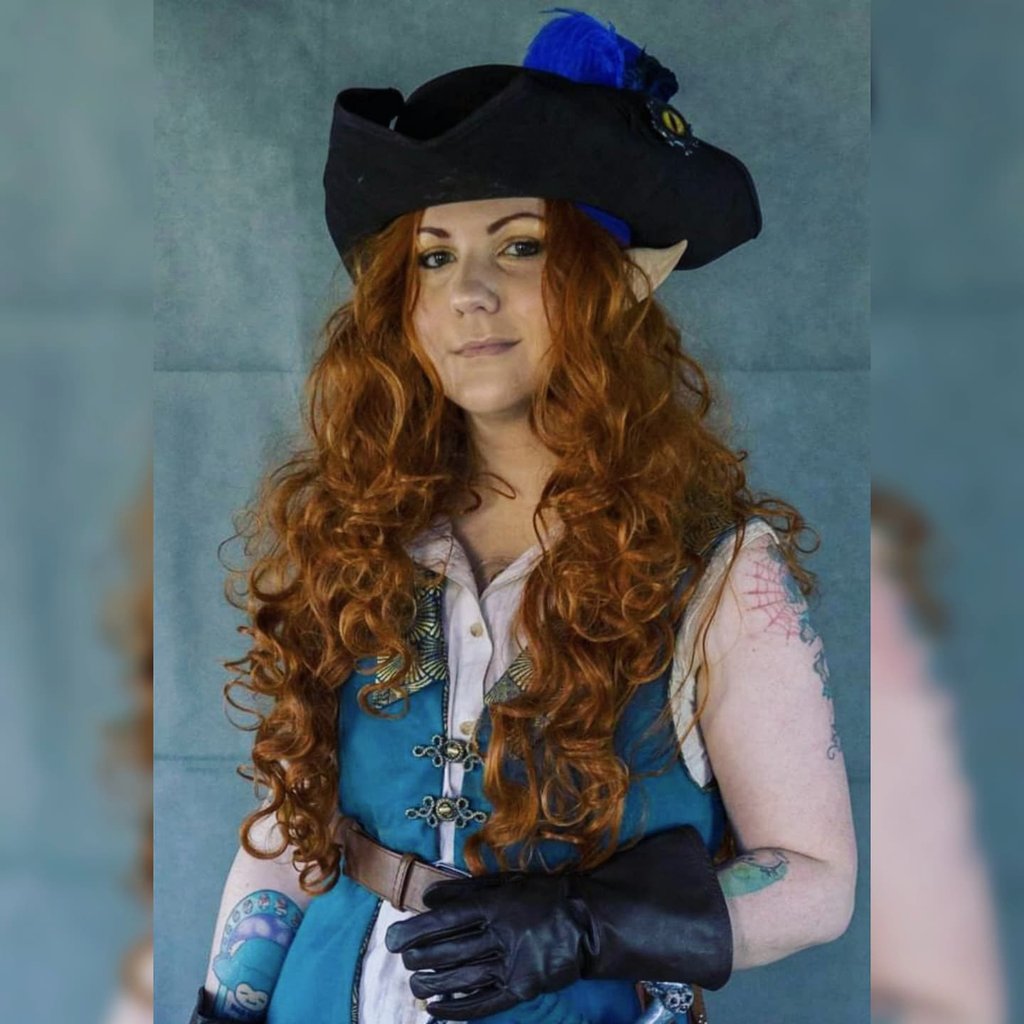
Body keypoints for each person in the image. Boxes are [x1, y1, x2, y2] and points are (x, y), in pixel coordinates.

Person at [186, 9, 857, 1024]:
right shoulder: (356, 537)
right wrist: (222, 1008)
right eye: (434, 257)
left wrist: (584, 925)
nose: (470, 291)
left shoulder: (718, 571)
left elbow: (815, 880)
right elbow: (292, 829)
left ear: (614, 283)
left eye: (522, 246)